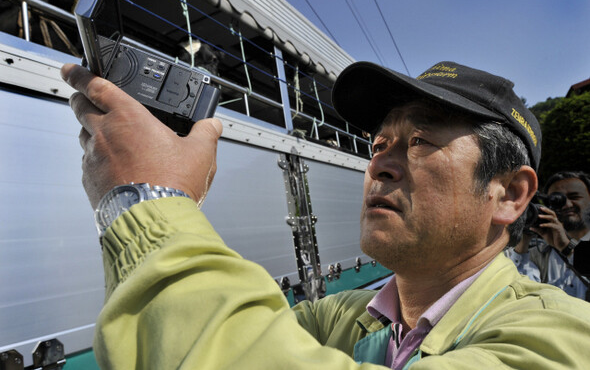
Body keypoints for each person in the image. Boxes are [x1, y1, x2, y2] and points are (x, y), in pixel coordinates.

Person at [61, 59, 590, 370]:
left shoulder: (561, 336)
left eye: (421, 141)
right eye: (380, 143)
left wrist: (146, 199)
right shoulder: (342, 315)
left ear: (510, 196)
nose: (381, 162)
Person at [507, 171, 590, 300]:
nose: (567, 205)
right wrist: (524, 239)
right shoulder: (538, 253)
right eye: (557, 200)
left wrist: (568, 248)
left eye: (574, 197)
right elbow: (519, 295)